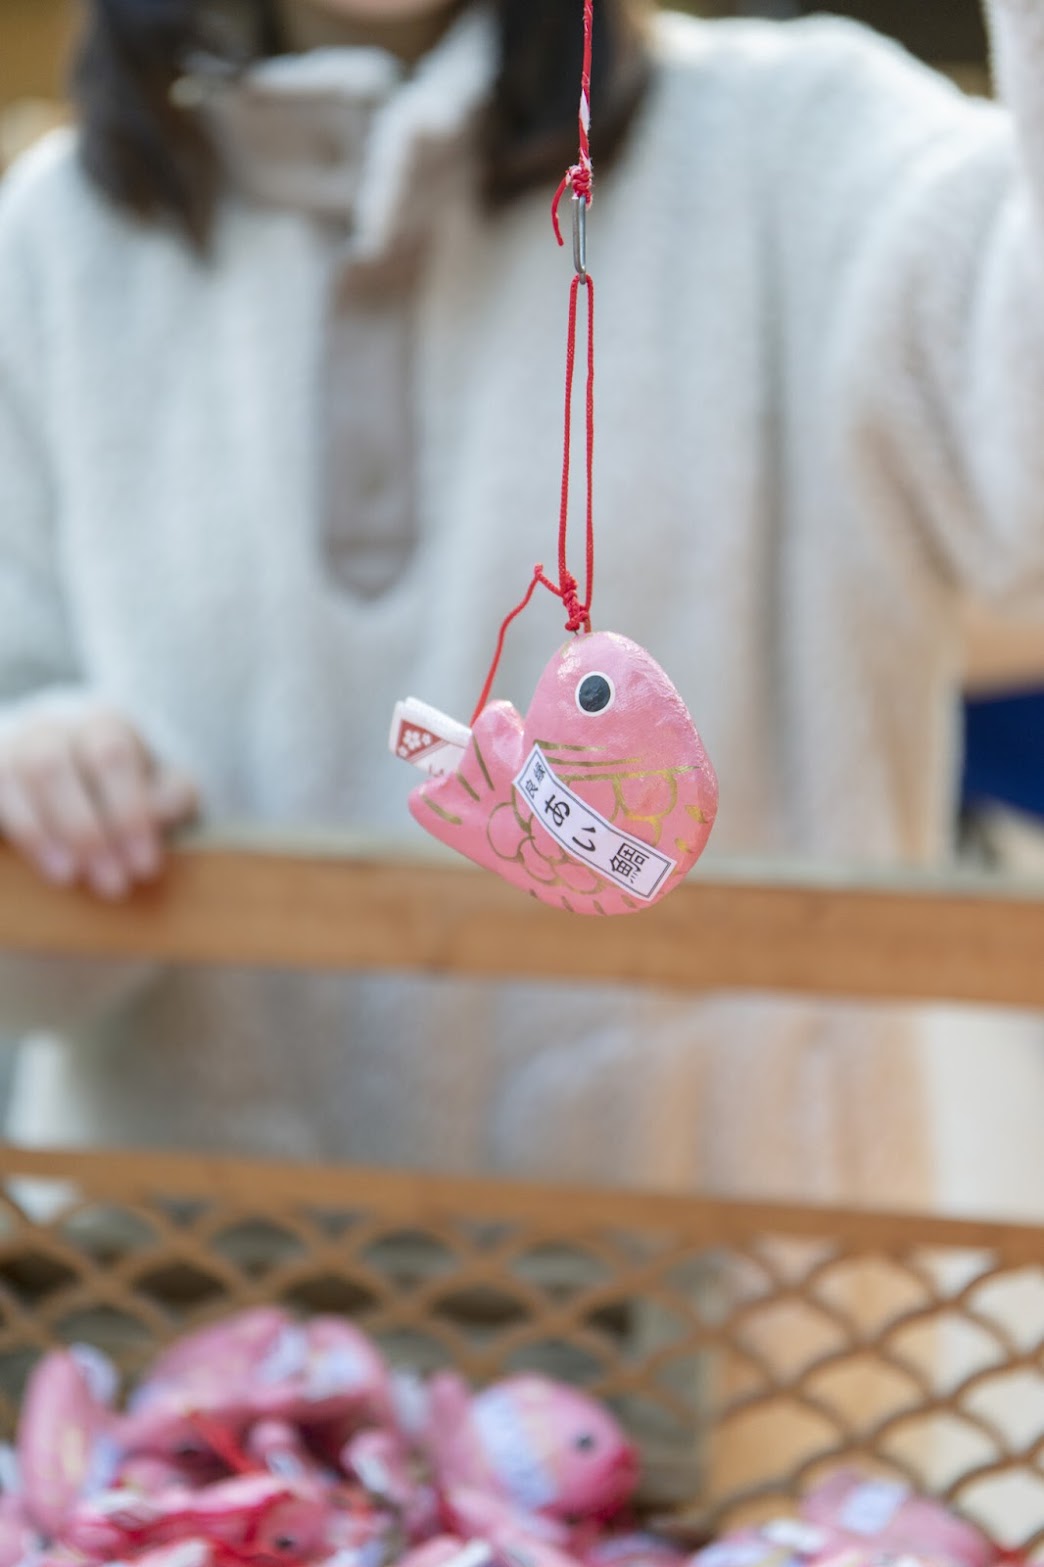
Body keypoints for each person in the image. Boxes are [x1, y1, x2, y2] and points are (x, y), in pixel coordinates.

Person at [0, 0, 1042, 1210]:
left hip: (742, 1353)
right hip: (181, 1339)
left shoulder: (807, 157)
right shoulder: (48, 251)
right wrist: (38, 782)